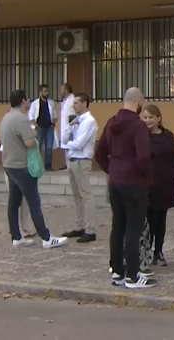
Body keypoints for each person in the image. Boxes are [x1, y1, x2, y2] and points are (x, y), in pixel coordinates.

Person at [95, 87, 156, 289]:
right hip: (134, 183)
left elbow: (100, 152)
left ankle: (117, 272)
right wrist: (146, 178)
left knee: (118, 226)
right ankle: (132, 275)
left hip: (115, 181)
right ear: (139, 102)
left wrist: (111, 169)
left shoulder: (111, 123)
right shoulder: (138, 127)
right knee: (133, 228)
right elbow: (144, 157)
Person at [0, 89, 67, 249]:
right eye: (28, 99)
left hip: (9, 164)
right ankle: (46, 237)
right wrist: (33, 133)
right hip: (22, 166)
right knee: (34, 201)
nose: (29, 102)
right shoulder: (21, 119)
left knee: (14, 202)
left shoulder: (6, 117)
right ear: (23, 101)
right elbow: (29, 143)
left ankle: (16, 236)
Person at [142, 104, 174, 267]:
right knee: (148, 220)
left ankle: (159, 251)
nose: (148, 120)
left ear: (158, 118)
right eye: (145, 117)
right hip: (147, 185)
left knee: (161, 220)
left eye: (151, 117)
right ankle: (147, 250)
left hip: (164, 184)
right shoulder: (141, 136)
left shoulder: (167, 136)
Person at [60, 93, 99, 243]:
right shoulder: (76, 121)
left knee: (86, 195)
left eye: (76, 103)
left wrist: (65, 146)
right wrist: (69, 126)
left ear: (84, 103)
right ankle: (79, 225)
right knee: (76, 195)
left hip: (82, 161)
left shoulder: (89, 121)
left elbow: (79, 143)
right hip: (72, 159)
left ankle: (90, 229)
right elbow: (65, 138)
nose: (73, 106)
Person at [28, 84, 59, 171]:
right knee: (38, 147)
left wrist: (53, 123)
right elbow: (31, 116)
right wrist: (35, 125)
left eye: (47, 91)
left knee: (49, 147)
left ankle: (48, 166)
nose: (47, 93)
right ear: (40, 92)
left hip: (49, 128)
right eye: (45, 91)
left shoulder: (51, 103)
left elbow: (55, 116)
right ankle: (37, 166)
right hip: (39, 128)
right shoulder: (35, 103)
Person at [58, 83, 76, 171]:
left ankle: (70, 164)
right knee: (66, 146)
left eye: (62, 89)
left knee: (70, 145)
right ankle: (67, 163)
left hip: (70, 127)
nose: (60, 91)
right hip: (64, 126)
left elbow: (74, 114)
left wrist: (71, 126)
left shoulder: (72, 100)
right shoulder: (65, 101)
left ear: (66, 90)